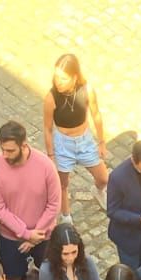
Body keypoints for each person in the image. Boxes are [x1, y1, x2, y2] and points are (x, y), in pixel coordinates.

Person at [0, 120, 61, 280]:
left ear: (24, 145)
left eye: (10, 150)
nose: (5, 155)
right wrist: (26, 234)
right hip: (11, 238)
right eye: (2, 149)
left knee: (52, 276)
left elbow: (54, 204)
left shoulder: (45, 166)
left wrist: (36, 235)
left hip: (44, 236)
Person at [43, 53, 109, 221]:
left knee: (103, 177)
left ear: (74, 77)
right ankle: (66, 217)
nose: (58, 82)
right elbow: (47, 128)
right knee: (62, 184)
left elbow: (96, 115)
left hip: (85, 141)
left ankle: (99, 191)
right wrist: (51, 155)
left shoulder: (87, 90)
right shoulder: (51, 98)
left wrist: (101, 142)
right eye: (57, 77)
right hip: (63, 144)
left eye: (63, 78)